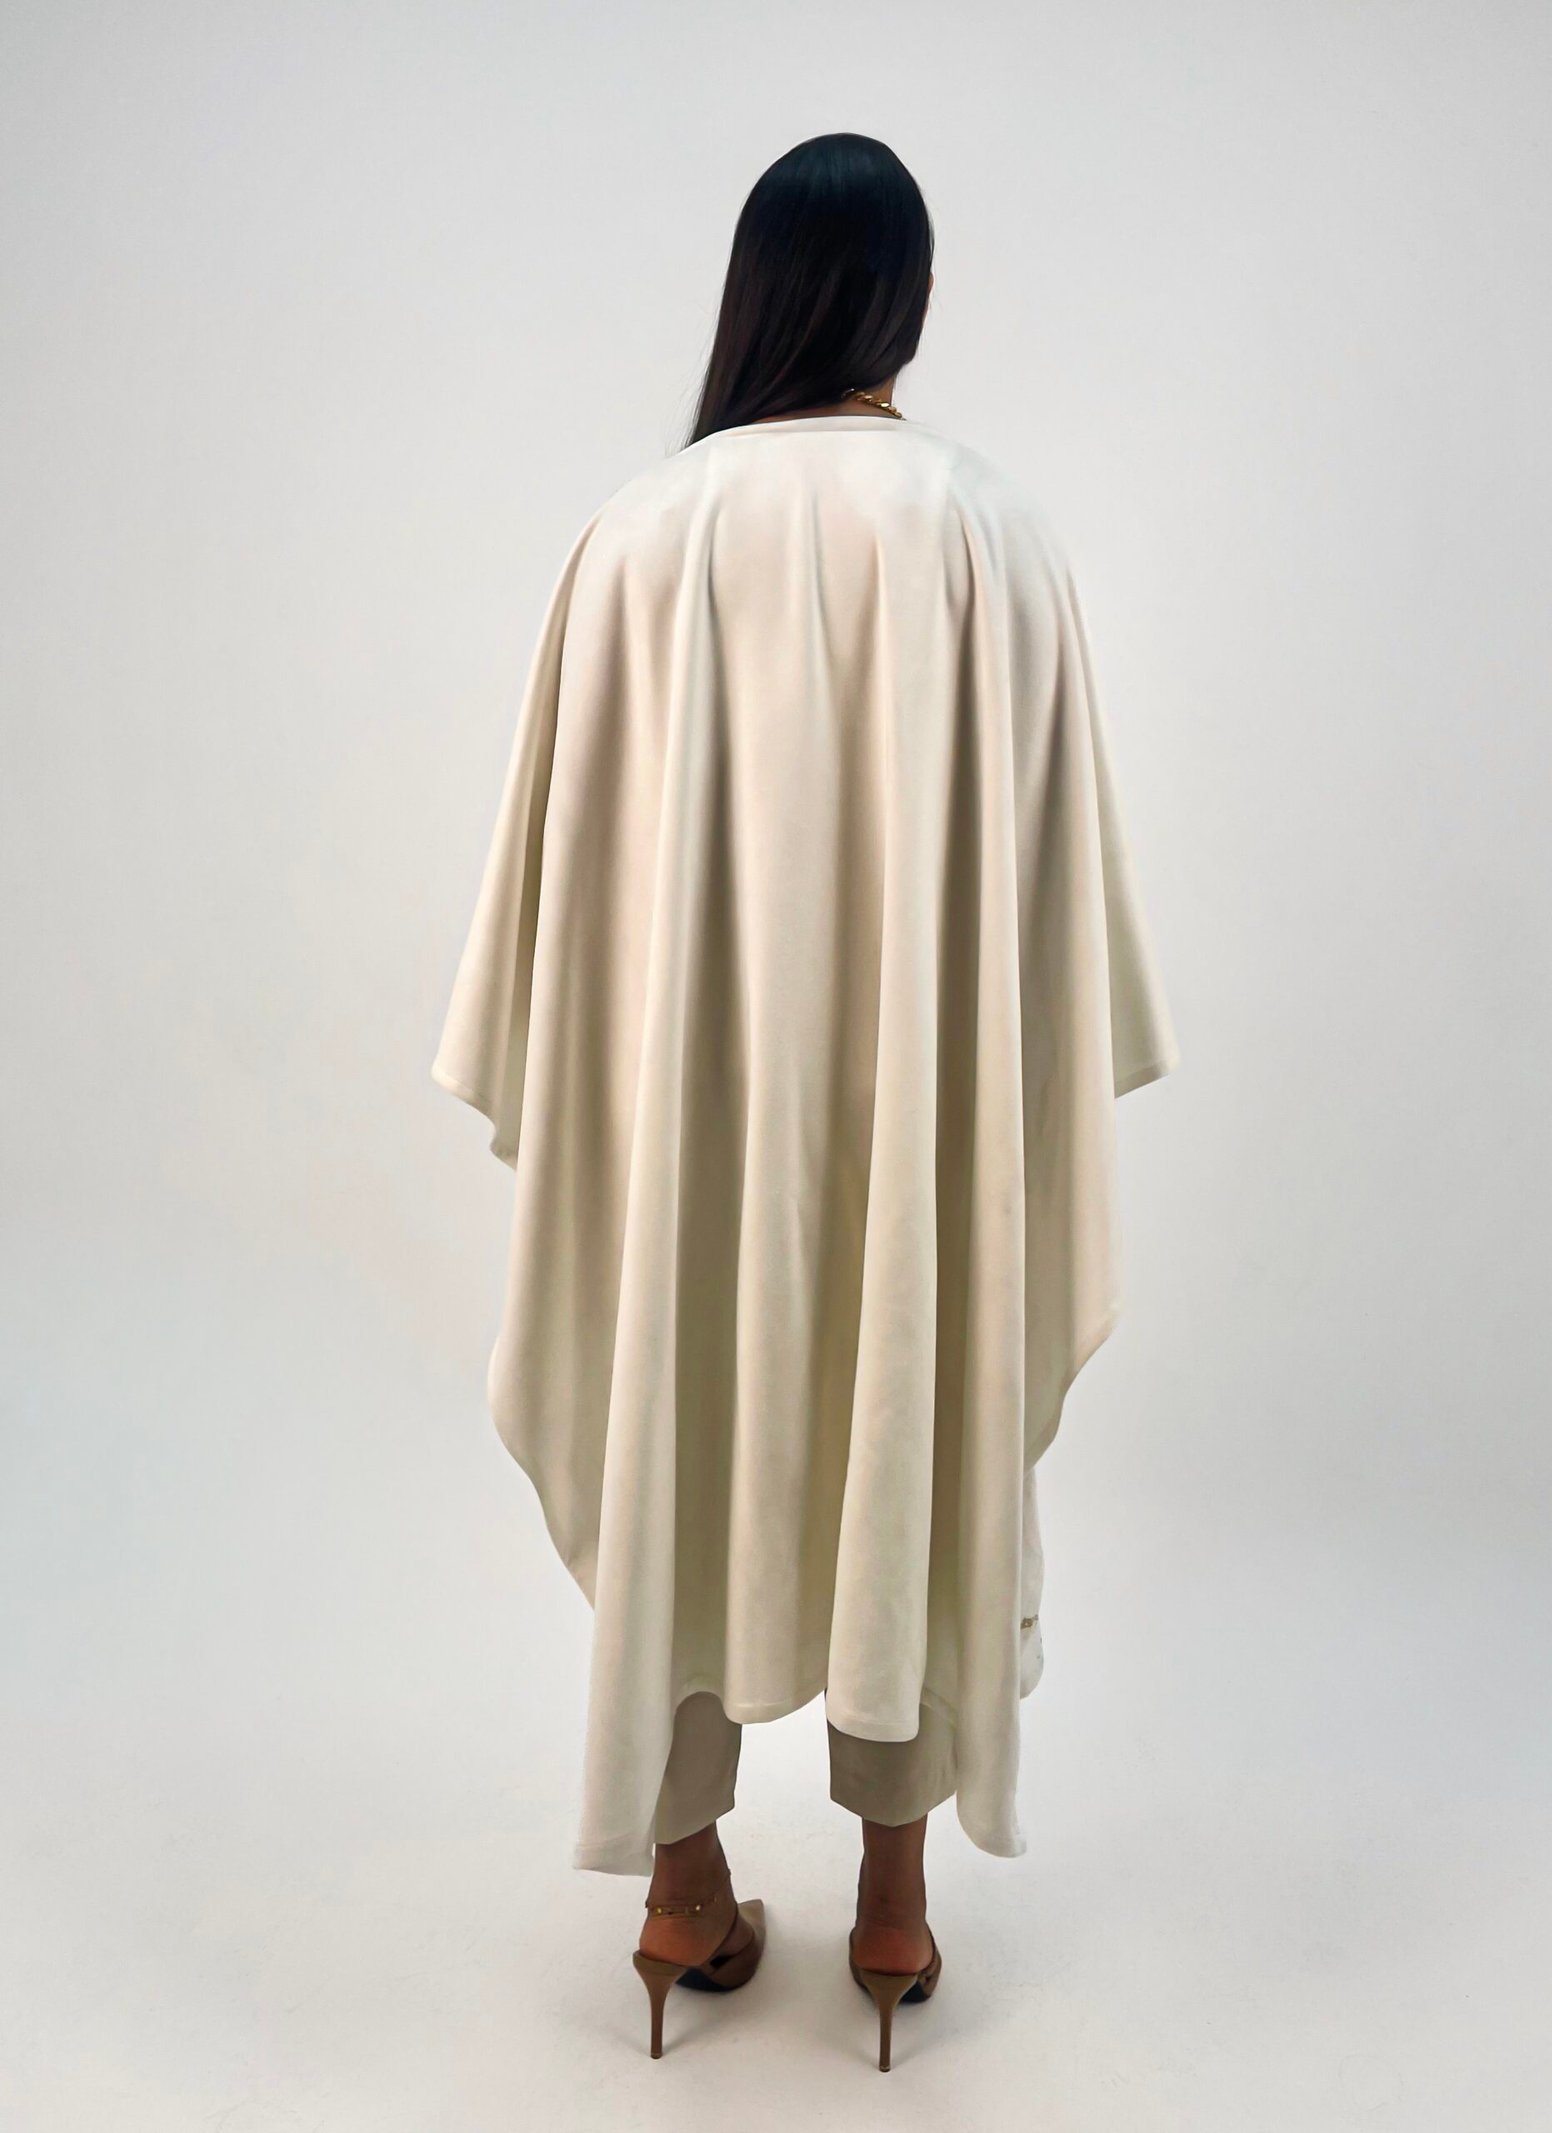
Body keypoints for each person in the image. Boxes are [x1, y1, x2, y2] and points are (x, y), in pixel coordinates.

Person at [431, 131, 1180, 2071]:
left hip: (693, 1118)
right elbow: (1046, 902)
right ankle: (896, 1905)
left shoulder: (636, 537)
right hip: (922, 1119)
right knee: (913, 1406)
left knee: (673, 1407)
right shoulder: (991, 536)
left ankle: (683, 1891)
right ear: (909, 301)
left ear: (754, 294)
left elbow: (563, 895)